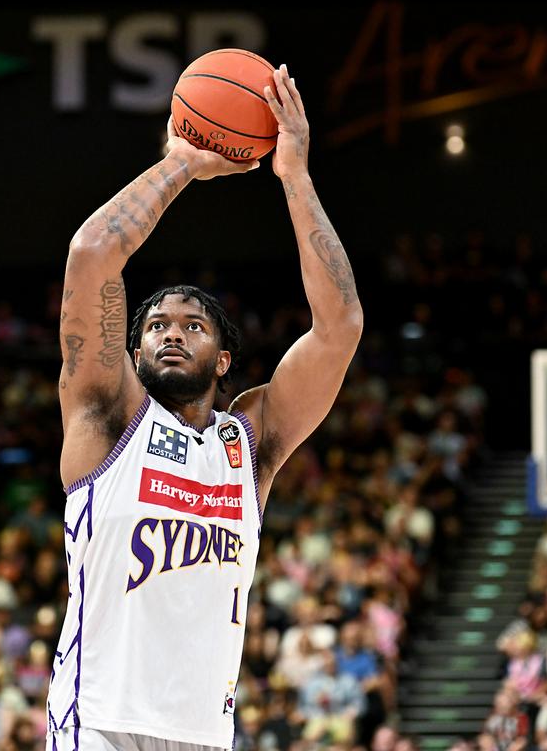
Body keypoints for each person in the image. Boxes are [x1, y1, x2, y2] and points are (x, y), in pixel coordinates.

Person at [46, 64, 363, 751]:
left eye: (193, 325)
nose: (169, 332)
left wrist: (295, 177)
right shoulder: (106, 419)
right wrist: (183, 162)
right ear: (132, 355)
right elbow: (92, 253)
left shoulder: (249, 443)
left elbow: (340, 329)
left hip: (206, 734)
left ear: (224, 360)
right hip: (99, 722)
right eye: (156, 325)